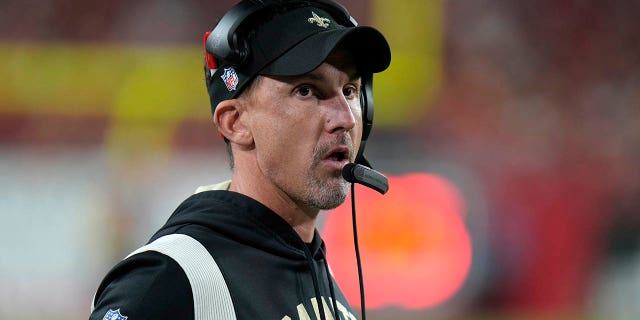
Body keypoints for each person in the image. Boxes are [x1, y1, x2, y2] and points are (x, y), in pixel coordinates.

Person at [89, 0, 390, 319]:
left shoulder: (323, 282)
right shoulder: (170, 280)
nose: (345, 119)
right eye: (307, 91)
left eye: (350, 91)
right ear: (235, 123)